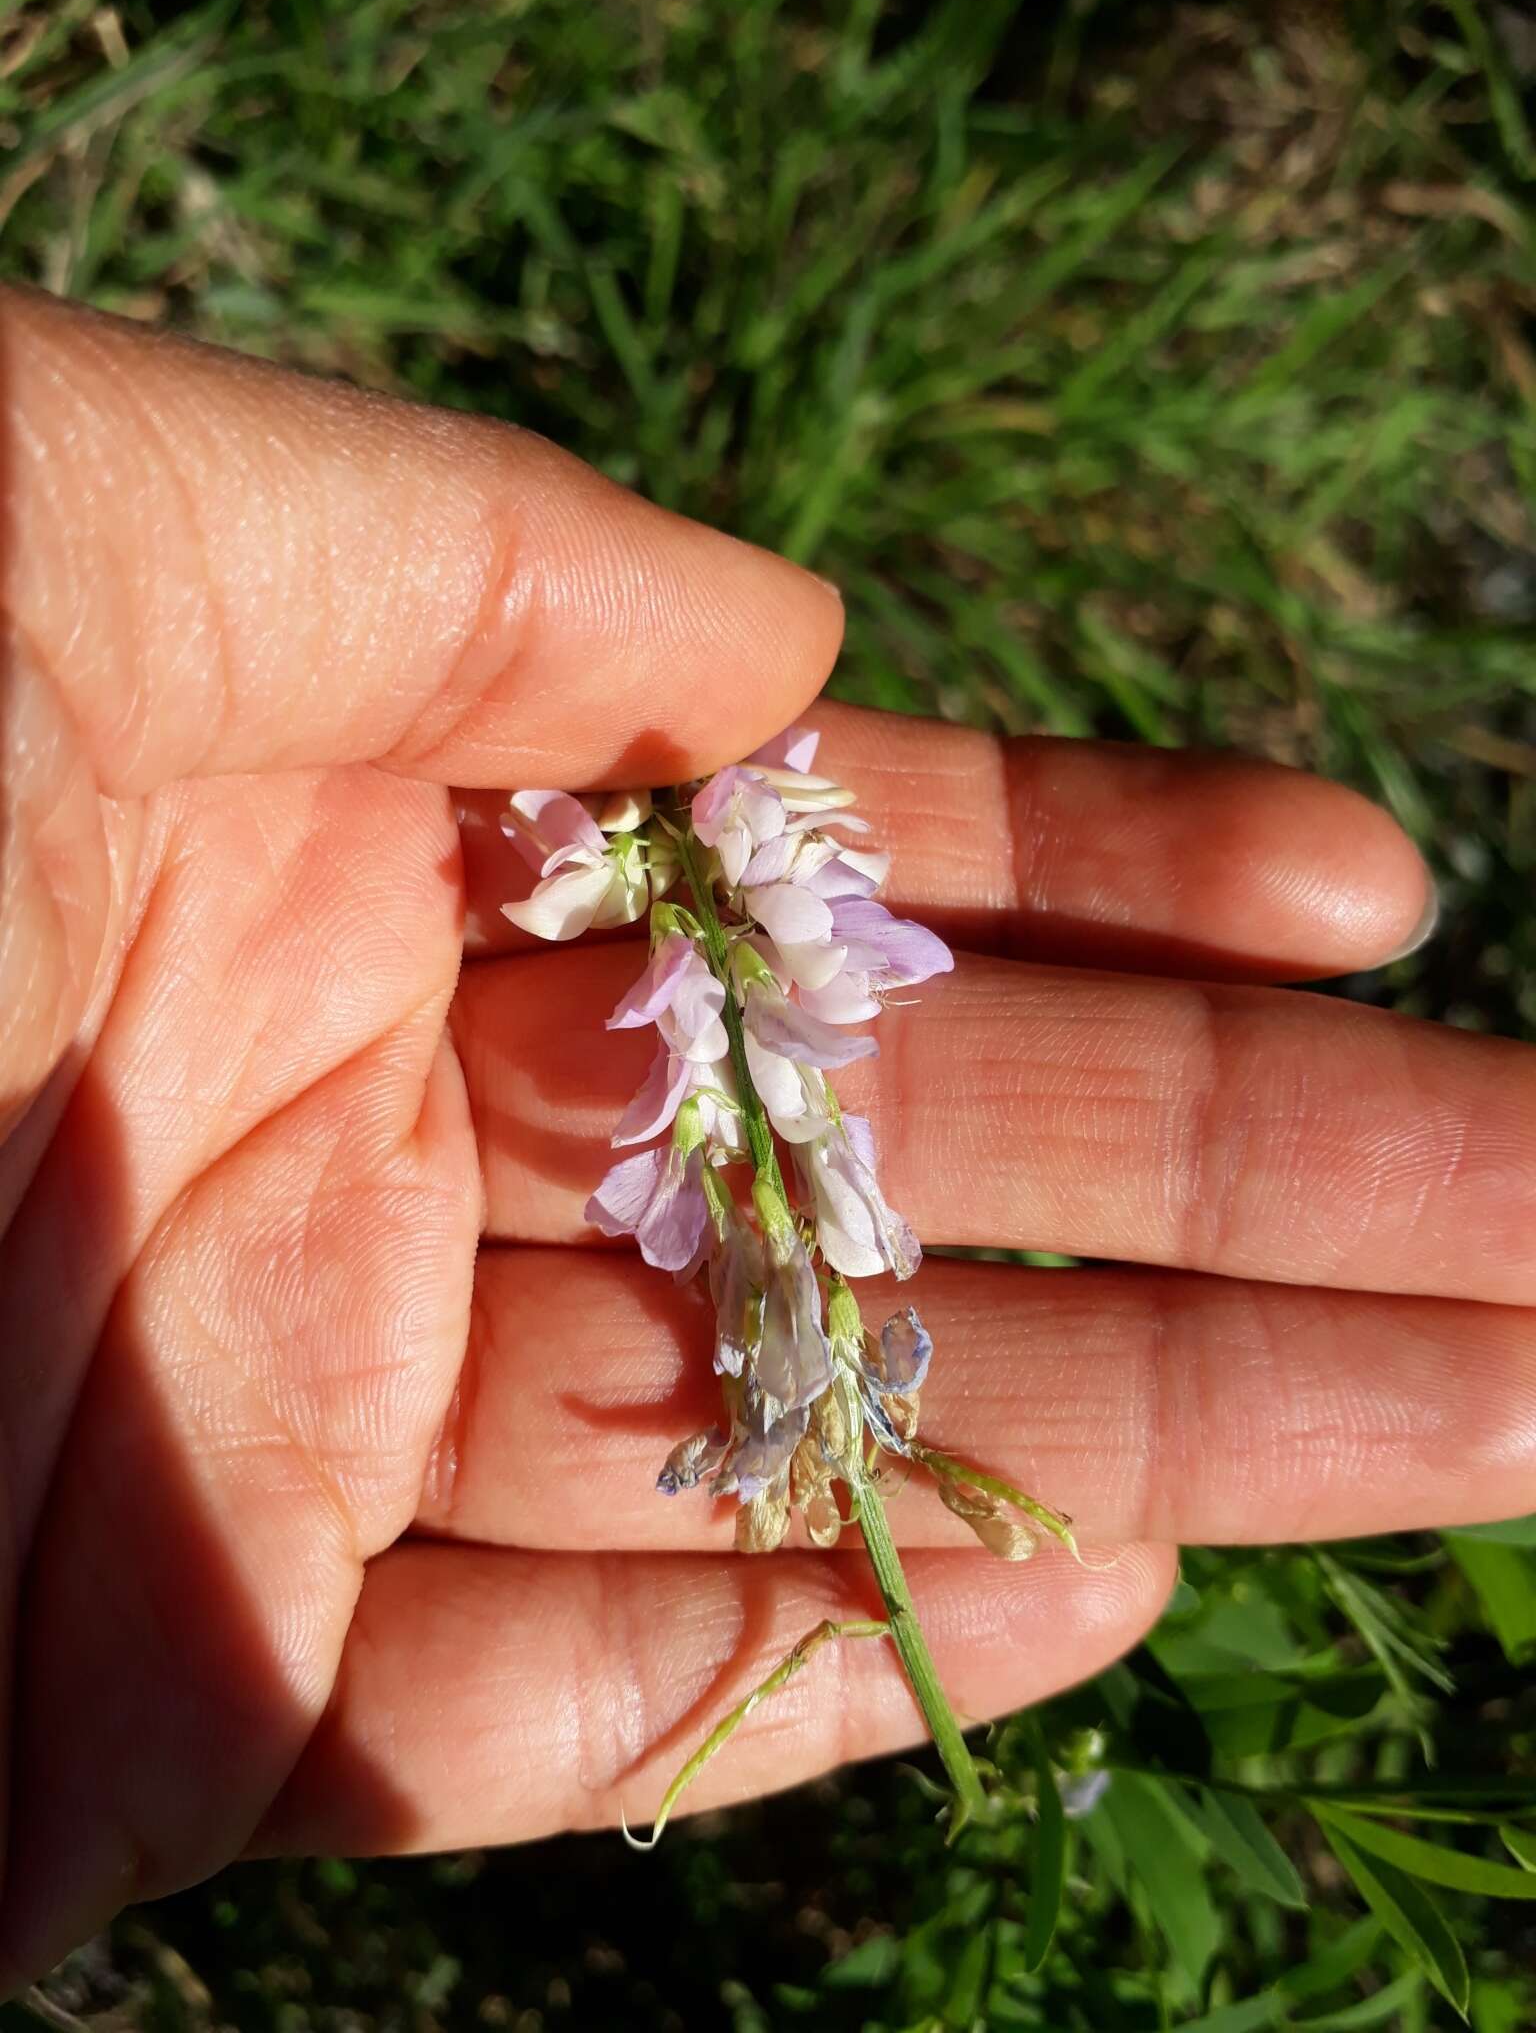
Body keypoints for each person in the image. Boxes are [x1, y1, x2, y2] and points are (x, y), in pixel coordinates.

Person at [1, 285, 1531, 1988]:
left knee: (799, 1218)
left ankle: (844, 1439)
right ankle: (829, 1429)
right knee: (778, 1226)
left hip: (765, 1132)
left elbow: (786, 1031)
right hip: (741, 1144)